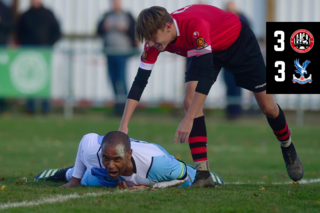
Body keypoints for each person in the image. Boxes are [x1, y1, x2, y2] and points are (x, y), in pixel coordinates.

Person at [117, 5, 304, 187]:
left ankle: (287, 145)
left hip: (238, 43)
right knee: (189, 100)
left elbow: (206, 76)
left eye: (152, 38)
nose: (150, 44)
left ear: (168, 27)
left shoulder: (194, 26)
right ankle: (203, 173)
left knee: (268, 108)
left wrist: (189, 118)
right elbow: (139, 82)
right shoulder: (156, 41)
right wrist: (123, 126)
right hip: (206, 50)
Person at [34, 131, 224, 188]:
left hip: (159, 168)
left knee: (189, 180)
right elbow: (85, 140)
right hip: (121, 172)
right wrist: (74, 179)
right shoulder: (95, 151)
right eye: (106, 159)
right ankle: (63, 173)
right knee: (86, 179)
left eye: (116, 159)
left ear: (129, 155)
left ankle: (211, 176)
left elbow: (182, 177)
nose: (110, 164)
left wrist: (150, 187)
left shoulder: (158, 164)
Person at [16, 0, 61, 115]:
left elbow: (56, 32)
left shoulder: (48, 14)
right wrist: (25, 45)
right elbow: (19, 33)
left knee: (44, 81)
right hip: (28, 52)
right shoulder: (25, 15)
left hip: (44, 53)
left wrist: (48, 44)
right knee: (30, 81)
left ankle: (45, 107)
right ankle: (30, 107)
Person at [97, 0, 137, 116]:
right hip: (110, 53)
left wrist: (125, 29)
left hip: (122, 53)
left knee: (122, 80)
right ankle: (118, 106)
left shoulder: (127, 16)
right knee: (113, 80)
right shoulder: (107, 16)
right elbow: (98, 30)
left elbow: (135, 31)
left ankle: (126, 108)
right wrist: (104, 27)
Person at [222, 1, 251, 120]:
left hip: (238, 60)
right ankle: (230, 111)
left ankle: (236, 111)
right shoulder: (223, 19)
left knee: (237, 85)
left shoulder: (243, 19)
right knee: (229, 85)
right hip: (226, 59)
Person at [0, 0, 15, 114]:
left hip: (3, 48)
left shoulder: (5, 9)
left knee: (3, 78)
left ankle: (3, 104)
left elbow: (11, 26)